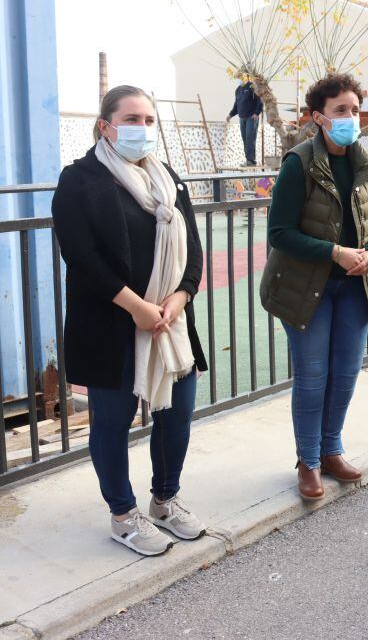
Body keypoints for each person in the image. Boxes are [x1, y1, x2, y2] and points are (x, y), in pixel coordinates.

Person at [52, 85, 208, 556]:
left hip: (170, 323)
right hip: (111, 323)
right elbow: (81, 257)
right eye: (132, 119)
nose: (143, 129)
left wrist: (180, 296)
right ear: (106, 126)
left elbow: (193, 251)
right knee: (112, 421)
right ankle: (123, 514)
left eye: (148, 120)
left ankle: (165, 499)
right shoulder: (80, 180)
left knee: (177, 413)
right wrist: (135, 306)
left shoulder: (169, 179)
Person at [261, 72, 368, 500]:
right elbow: (279, 232)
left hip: (356, 288)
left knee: (345, 374)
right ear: (319, 118)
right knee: (313, 375)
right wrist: (335, 253)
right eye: (341, 111)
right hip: (308, 289)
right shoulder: (299, 163)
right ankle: (309, 461)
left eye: (355, 110)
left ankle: (332, 448)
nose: (351, 117)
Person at [227, 78, 264, 166]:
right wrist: (230, 115)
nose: (239, 79)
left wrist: (257, 113)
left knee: (250, 138)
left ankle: (251, 160)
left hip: (251, 117)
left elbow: (260, 100)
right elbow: (236, 104)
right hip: (242, 117)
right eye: (238, 77)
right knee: (245, 139)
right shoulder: (238, 89)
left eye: (241, 76)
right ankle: (248, 160)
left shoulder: (252, 86)